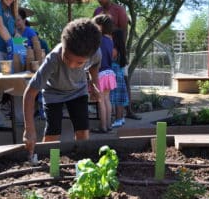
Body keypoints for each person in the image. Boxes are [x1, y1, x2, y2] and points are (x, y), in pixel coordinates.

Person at [23, 18, 101, 157]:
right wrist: (29, 129)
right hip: (53, 93)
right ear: (63, 46)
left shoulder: (94, 53)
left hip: (78, 91)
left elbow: (95, 65)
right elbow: (30, 93)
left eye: (79, 62)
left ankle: (81, 161)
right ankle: (45, 160)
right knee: (53, 133)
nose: (71, 65)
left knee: (83, 132)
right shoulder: (53, 59)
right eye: (67, 58)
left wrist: (95, 83)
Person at [94, 0, 141, 120]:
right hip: (103, 53)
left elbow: (124, 31)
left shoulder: (119, 10)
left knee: (123, 80)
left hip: (117, 52)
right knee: (107, 85)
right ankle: (110, 116)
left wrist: (118, 49)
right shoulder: (97, 11)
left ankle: (128, 111)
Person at [92, 14, 116, 134]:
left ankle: (103, 127)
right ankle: (109, 125)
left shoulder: (98, 40)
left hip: (101, 73)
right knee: (107, 100)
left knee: (101, 101)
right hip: (110, 72)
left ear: (100, 26)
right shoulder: (110, 40)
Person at [110, 29, 129, 128]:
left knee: (117, 98)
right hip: (119, 74)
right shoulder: (122, 49)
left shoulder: (114, 49)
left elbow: (109, 59)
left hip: (114, 74)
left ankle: (117, 119)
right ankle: (120, 118)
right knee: (120, 99)